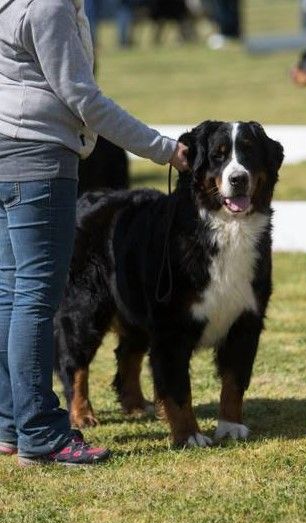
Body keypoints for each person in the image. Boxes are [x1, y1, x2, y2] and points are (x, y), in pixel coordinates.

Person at [0, 0, 188, 466]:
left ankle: (9, 422)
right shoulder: (51, 7)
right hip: (38, 160)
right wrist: (164, 150)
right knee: (36, 298)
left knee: (9, 292)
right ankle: (41, 431)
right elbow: (83, 98)